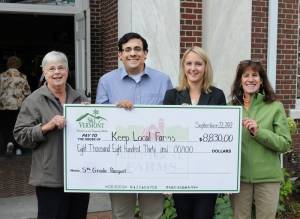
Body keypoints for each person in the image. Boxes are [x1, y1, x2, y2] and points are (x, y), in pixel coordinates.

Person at [96, 32, 173, 219]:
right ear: (119, 55)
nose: (133, 53)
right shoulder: (106, 81)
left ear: (146, 53)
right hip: (119, 160)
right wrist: (116, 111)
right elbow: (100, 120)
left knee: (153, 214)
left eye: (137, 49)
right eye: (127, 49)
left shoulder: (163, 80)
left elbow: (171, 118)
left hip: (154, 160)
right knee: (121, 214)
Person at [14, 51, 90, 219]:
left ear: (68, 71)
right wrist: (47, 126)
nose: (57, 72)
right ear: (44, 73)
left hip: (79, 177)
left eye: (61, 67)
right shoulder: (34, 101)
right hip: (50, 178)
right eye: (51, 68)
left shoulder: (81, 99)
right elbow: (20, 135)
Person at [163, 46, 226, 219]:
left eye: (198, 64)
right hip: (180, 170)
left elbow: (222, 134)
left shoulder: (217, 96)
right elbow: (165, 134)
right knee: (184, 215)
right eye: (189, 63)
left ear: (206, 67)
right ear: (183, 67)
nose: (193, 68)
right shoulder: (172, 96)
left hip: (207, 171)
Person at [229, 60, 292, 219]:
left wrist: (259, 132)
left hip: (268, 179)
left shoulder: (274, 106)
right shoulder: (230, 108)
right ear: (240, 80)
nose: (251, 79)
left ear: (261, 80)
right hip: (239, 180)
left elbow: (285, 143)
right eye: (246, 75)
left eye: (255, 75)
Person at [0, 56, 31, 155]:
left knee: (6, 126)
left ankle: (8, 143)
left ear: (8, 64)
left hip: (4, 106)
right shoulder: (23, 77)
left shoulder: (1, 76)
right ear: (19, 65)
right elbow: (27, 93)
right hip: (18, 106)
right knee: (18, 127)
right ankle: (18, 148)